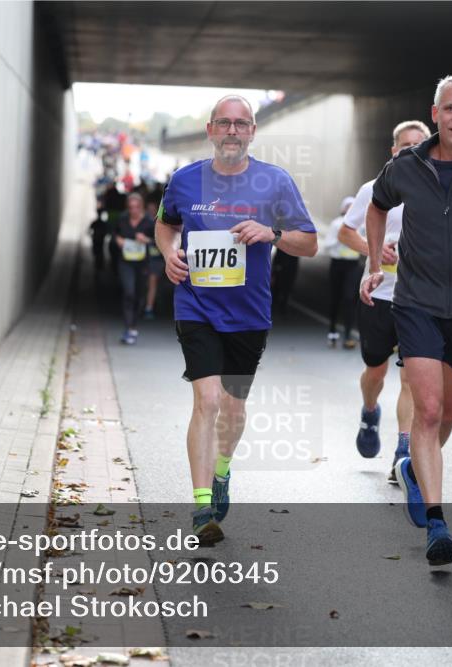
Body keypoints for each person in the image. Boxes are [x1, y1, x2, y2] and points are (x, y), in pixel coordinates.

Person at [154, 95, 318, 544]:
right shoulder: (184, 180)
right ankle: (202, 506)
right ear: (210, 130)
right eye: (224, 123)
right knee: (206, 401)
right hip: (196, 306)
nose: (232, 131)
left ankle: (222, 469)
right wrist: (169, 253)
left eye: (241, 123)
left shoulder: (275, 182)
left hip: (249, 314)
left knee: (233, 407)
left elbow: (309, 243)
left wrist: (272, 233)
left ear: (252, 132)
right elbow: (166, 224)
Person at [364, 72, 452, 565]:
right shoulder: (408, 165)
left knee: (447, 415)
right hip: (417, 303)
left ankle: (413, 468)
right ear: (435, 114)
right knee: (426, 411)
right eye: (450, 108)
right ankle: (436, 521)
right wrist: (372, 263)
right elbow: (377, 207)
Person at [345, 120, 431, 471]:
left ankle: (403, 452)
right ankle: (369, 411)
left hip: (418, 298)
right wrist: (374, 250)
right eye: (406, 145)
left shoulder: (438, 190)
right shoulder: (373, 189)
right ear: (394, 151)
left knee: (411, 377)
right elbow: (346, 232)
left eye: (419, 144)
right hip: (378, 295)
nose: (412, 150)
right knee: (376, 371)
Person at [114, 193, 155, 344]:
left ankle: (133, 325)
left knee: (139, 295)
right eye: (131, 208)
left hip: (142, 263)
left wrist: (146, 240)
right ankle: (128, 327)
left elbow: (158, 241)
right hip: (126, 262)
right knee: (129, 292)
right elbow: (114, 233)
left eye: (137, 207)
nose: (134, 210)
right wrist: (118, 240)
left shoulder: (149, 222)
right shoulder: (122, 219)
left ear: (142, 207)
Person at [322, 196, 362, 348]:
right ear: (343, 208)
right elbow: (326, 246)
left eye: (353, 205)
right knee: (335, 298)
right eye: (347, 206)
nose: (350, 208)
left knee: (350, 298)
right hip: (337, 264)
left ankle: (347, 335)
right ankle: (332, 332)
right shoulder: (336, 224)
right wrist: (341, 238)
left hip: (353, 265)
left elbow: (366, 242)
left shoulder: (360, 225)